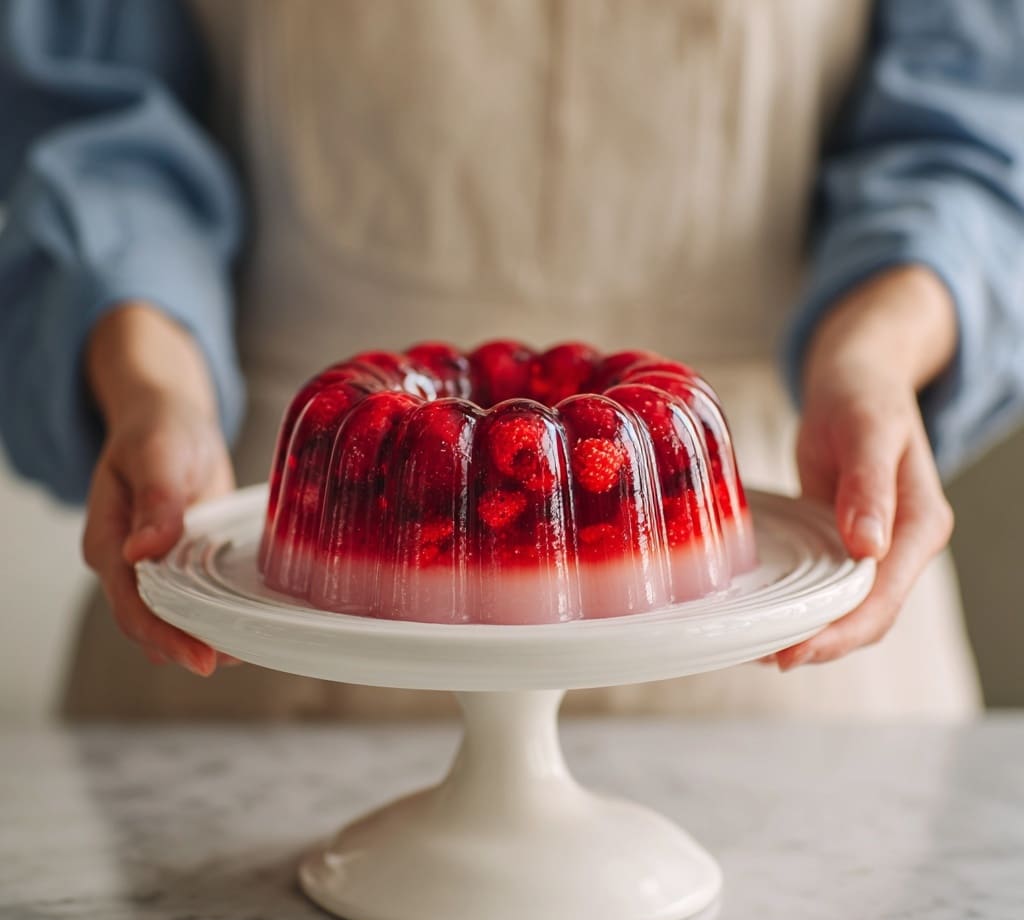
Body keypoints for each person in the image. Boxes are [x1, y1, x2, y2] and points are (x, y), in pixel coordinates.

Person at [1, 0, 1021, 719]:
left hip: (760, 587)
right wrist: (152, 379)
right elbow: (93, 126)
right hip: (277, 567)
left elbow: (972, 134)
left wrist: (876, 352)